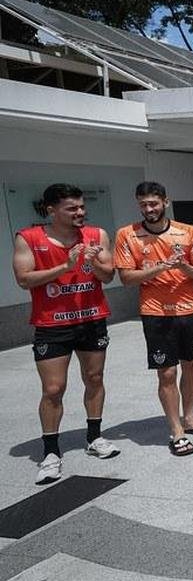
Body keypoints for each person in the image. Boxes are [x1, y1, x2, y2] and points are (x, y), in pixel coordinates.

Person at [13, 183, 119, 485]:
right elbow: (24, 279)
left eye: (82, 207)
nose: (80, 213)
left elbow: (108, 274)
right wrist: (66, 265)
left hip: (92, 319)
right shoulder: (29, 238)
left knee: (95, 379)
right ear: (51, 210)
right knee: (53, 389)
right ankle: (50, 452)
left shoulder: (96, 235)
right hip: (52, 324)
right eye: (72, 208)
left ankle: (95, 437)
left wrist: (92, 261)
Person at [115, 181, 193, 456]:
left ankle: (191, 417)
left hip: (188, 309)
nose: (149, 209)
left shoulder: (188, 232)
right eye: (143, 204)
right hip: (155, 312)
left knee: (192, 365)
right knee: (167, 371)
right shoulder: (127, 234)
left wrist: (182, 265)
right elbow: (126, 278)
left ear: (165, 202)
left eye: (153, 204)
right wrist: (160, 267)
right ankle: (176, 430)